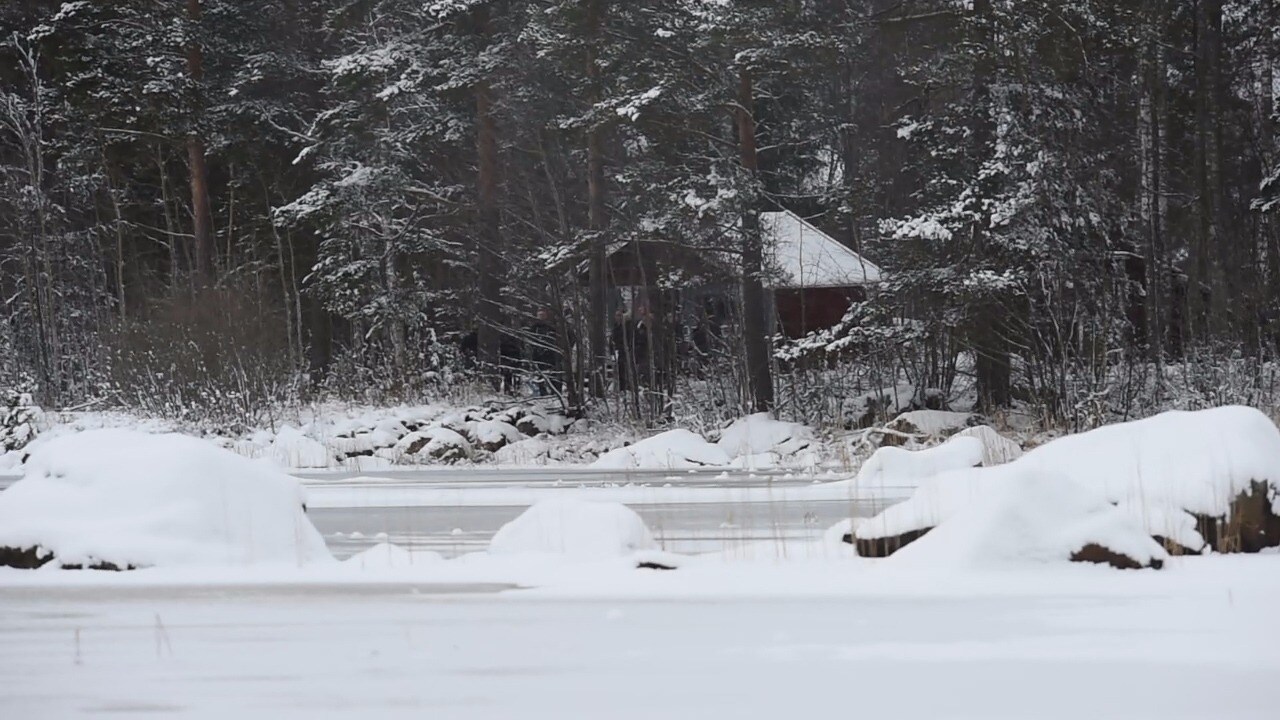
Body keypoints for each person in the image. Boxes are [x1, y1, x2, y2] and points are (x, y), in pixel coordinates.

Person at [526, 308, 559, 396]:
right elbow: (531, 339)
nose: (541, 317)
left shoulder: (550, 327)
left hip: (549, 353)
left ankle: (554, 391)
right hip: (538, 354)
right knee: (540, 373)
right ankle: (542, 391)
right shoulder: (534, 327)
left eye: (543, 315)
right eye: (540, 315)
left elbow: (554, 339)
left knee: (552, 373)